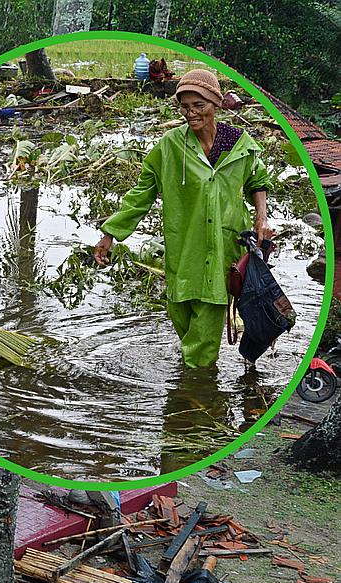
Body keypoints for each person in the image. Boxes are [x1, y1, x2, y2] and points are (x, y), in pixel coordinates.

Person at [93, 68, 273, 368]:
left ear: (216, 103)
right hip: (184, 249)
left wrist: (261, 218)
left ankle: (196, 388)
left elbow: (258, 181)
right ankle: (195, 379)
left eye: (199, 105)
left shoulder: (238, 144)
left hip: (223, 249)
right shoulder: (171, 146)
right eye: (185, 106)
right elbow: (142, 193)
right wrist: (110, 234)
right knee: (182, 318)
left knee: (202, 340)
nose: (191, 113)